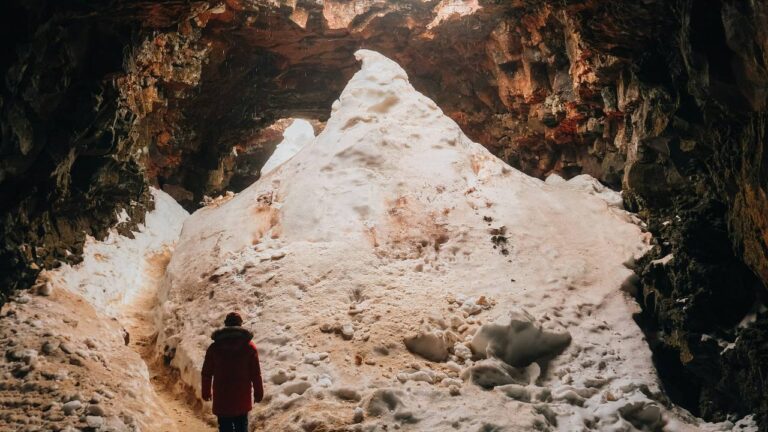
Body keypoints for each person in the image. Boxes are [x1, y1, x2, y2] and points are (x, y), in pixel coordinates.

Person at [202, 312, 264, 432]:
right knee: (242, 428)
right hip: (242, 398)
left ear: (226, 325)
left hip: (222, 398)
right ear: (240, 325)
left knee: (225, 428)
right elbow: (255, 374)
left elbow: (206, 373)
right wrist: (258, 393)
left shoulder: (214, 348)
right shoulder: (249, 347)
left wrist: (206, 392)